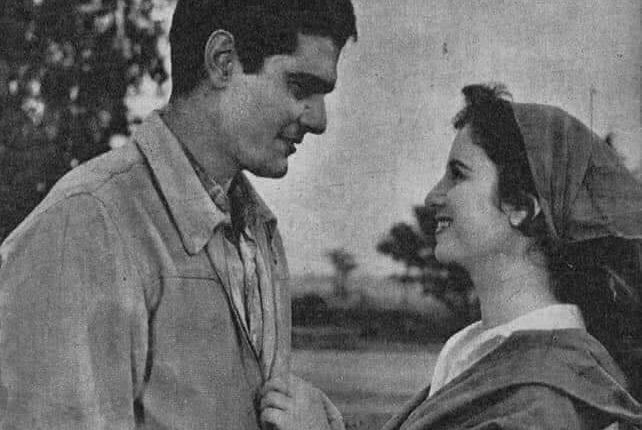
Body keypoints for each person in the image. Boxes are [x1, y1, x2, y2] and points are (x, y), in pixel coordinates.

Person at [0, 1, 357, 428]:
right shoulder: (85, 224)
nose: (319, 120)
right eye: (299, 87)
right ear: (222, 61)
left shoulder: (259, 232)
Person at [260, 84, 642, 429]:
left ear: (521, 207)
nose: (432, 197)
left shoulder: (548, 395)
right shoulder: (478, 348)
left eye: (458, 174)